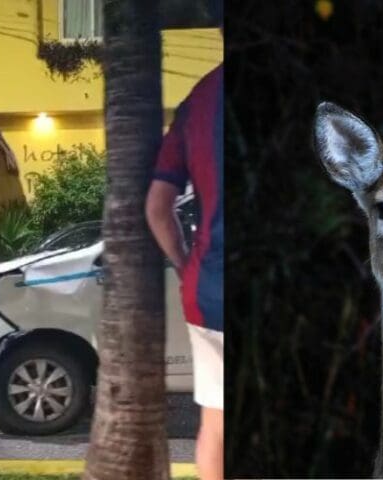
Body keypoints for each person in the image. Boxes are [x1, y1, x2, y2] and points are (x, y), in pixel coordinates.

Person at [146, 62, 223, 480]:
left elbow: (157, 209)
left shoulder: (198, 101)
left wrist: (183, 264)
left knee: (216, 425)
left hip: (209, 290)